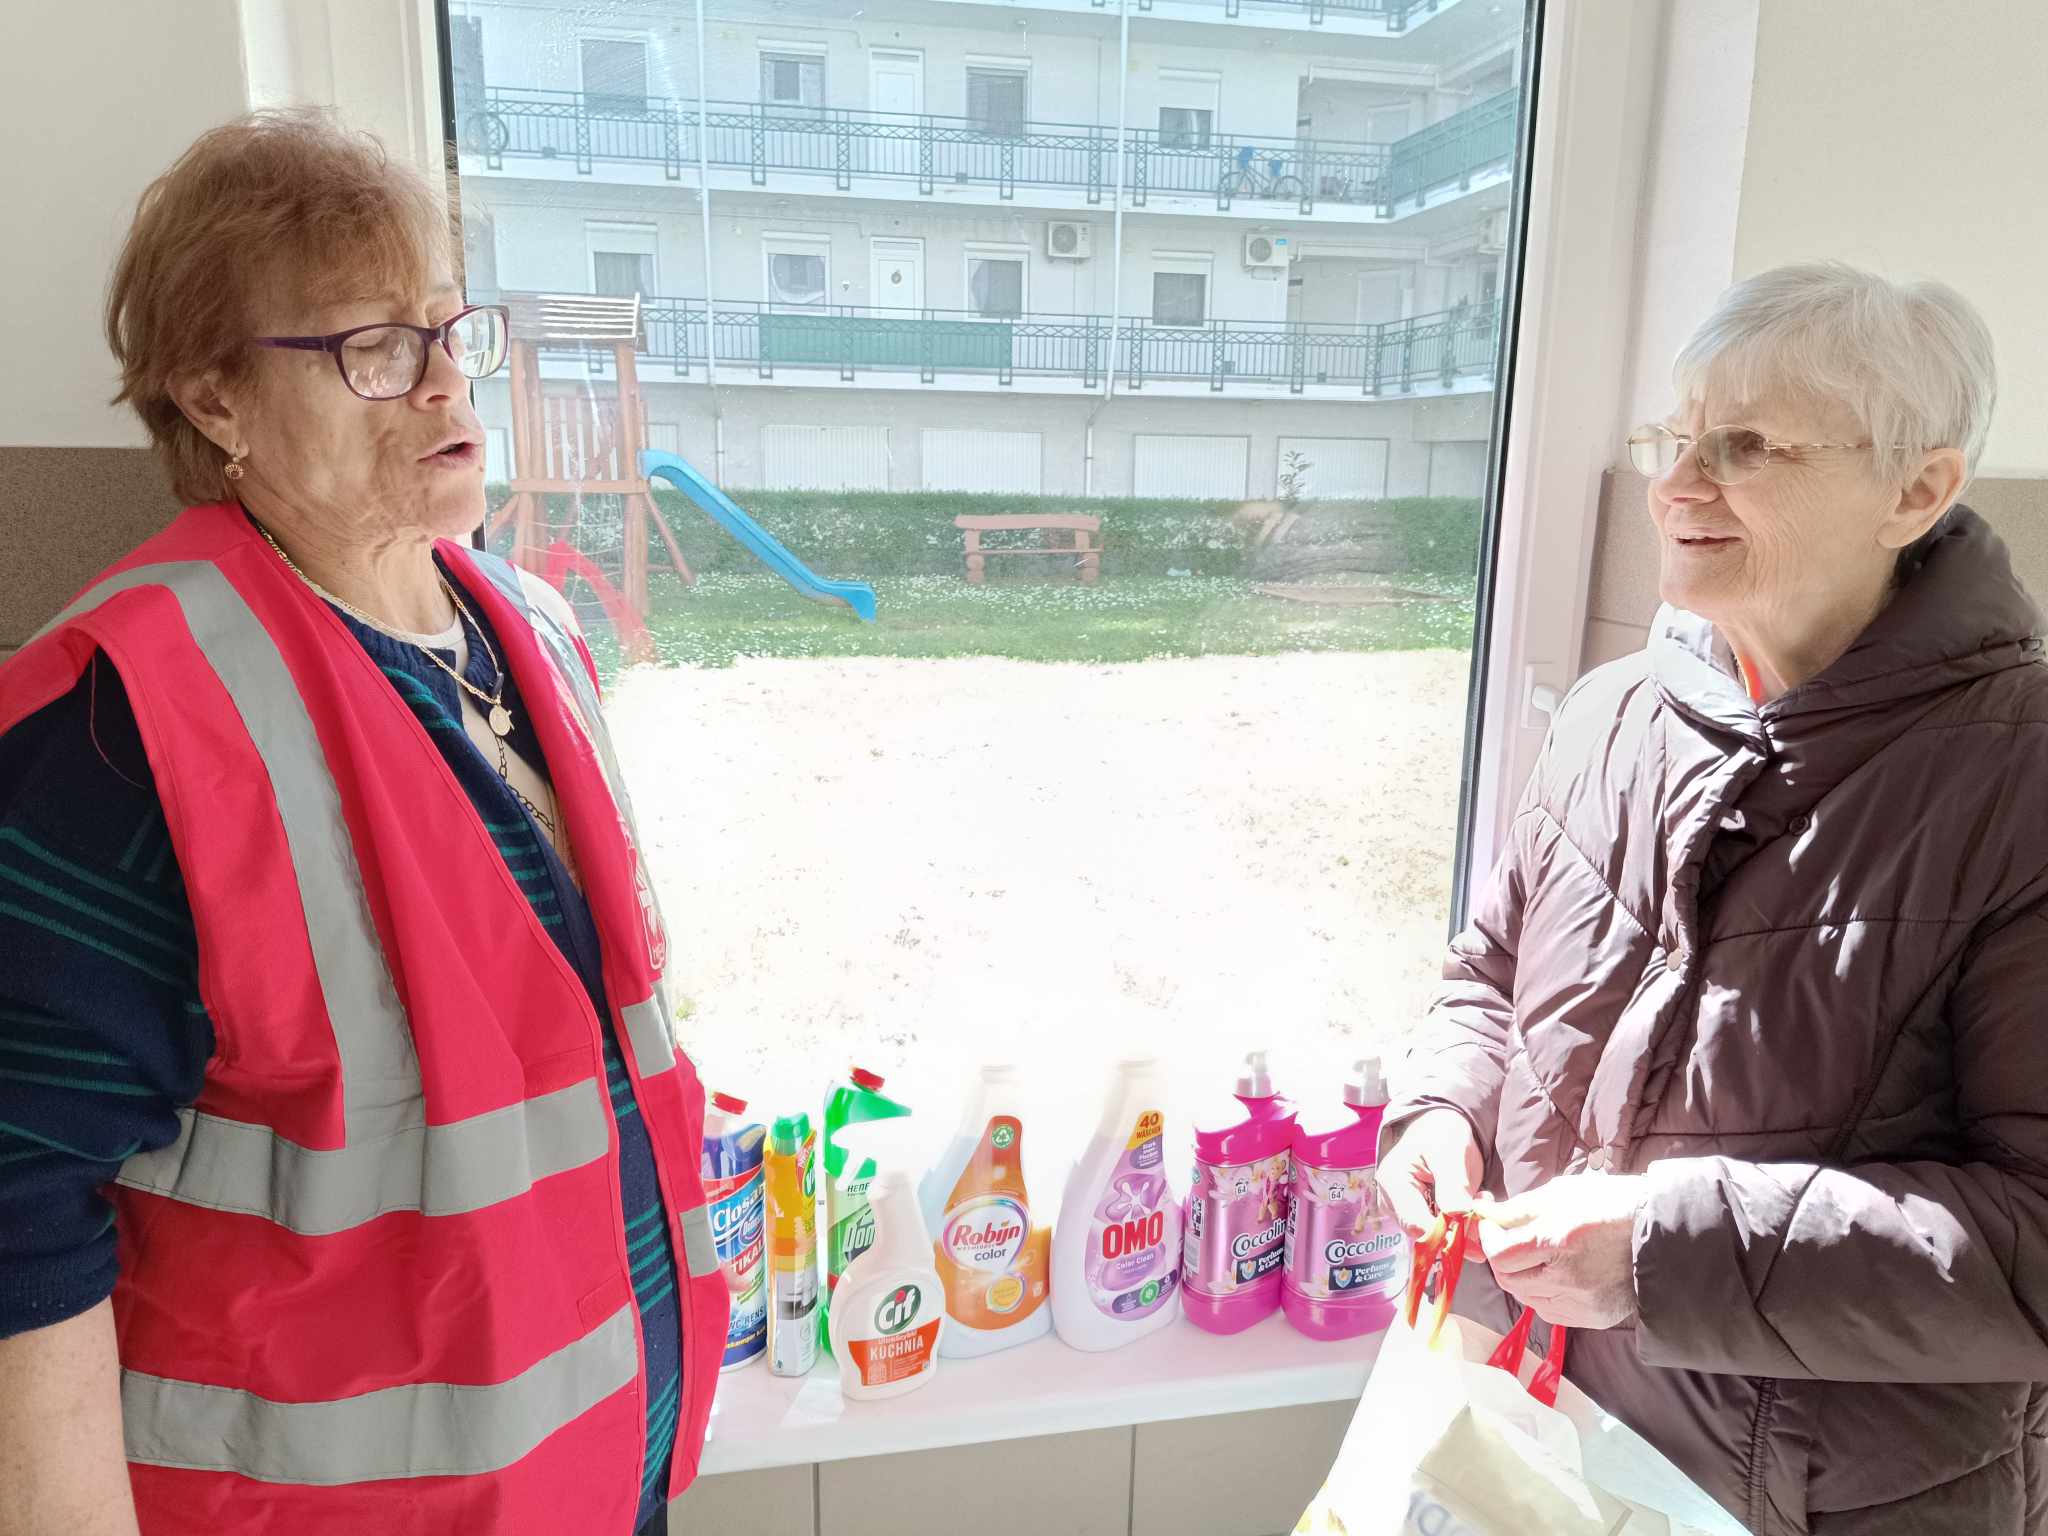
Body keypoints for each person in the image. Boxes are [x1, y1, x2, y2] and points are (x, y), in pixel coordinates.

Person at [0, 111, 728, 1535]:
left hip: (592, 1486)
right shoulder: (123, 734)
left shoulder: (525, 624)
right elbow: (15, 1219)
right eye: (373, 349)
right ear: (216, 399)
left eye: (450, 330)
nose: (444, 382)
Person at [1380, 262, 2048, 1535]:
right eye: (1673, 437)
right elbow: (1487, 979)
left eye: (1744, 446)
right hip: (1539, 1442)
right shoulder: (1610, 712)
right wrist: (1439, 1111)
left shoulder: (2017, 782)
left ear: (1914, 492)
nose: (1676, 484)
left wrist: (1660, 1249)